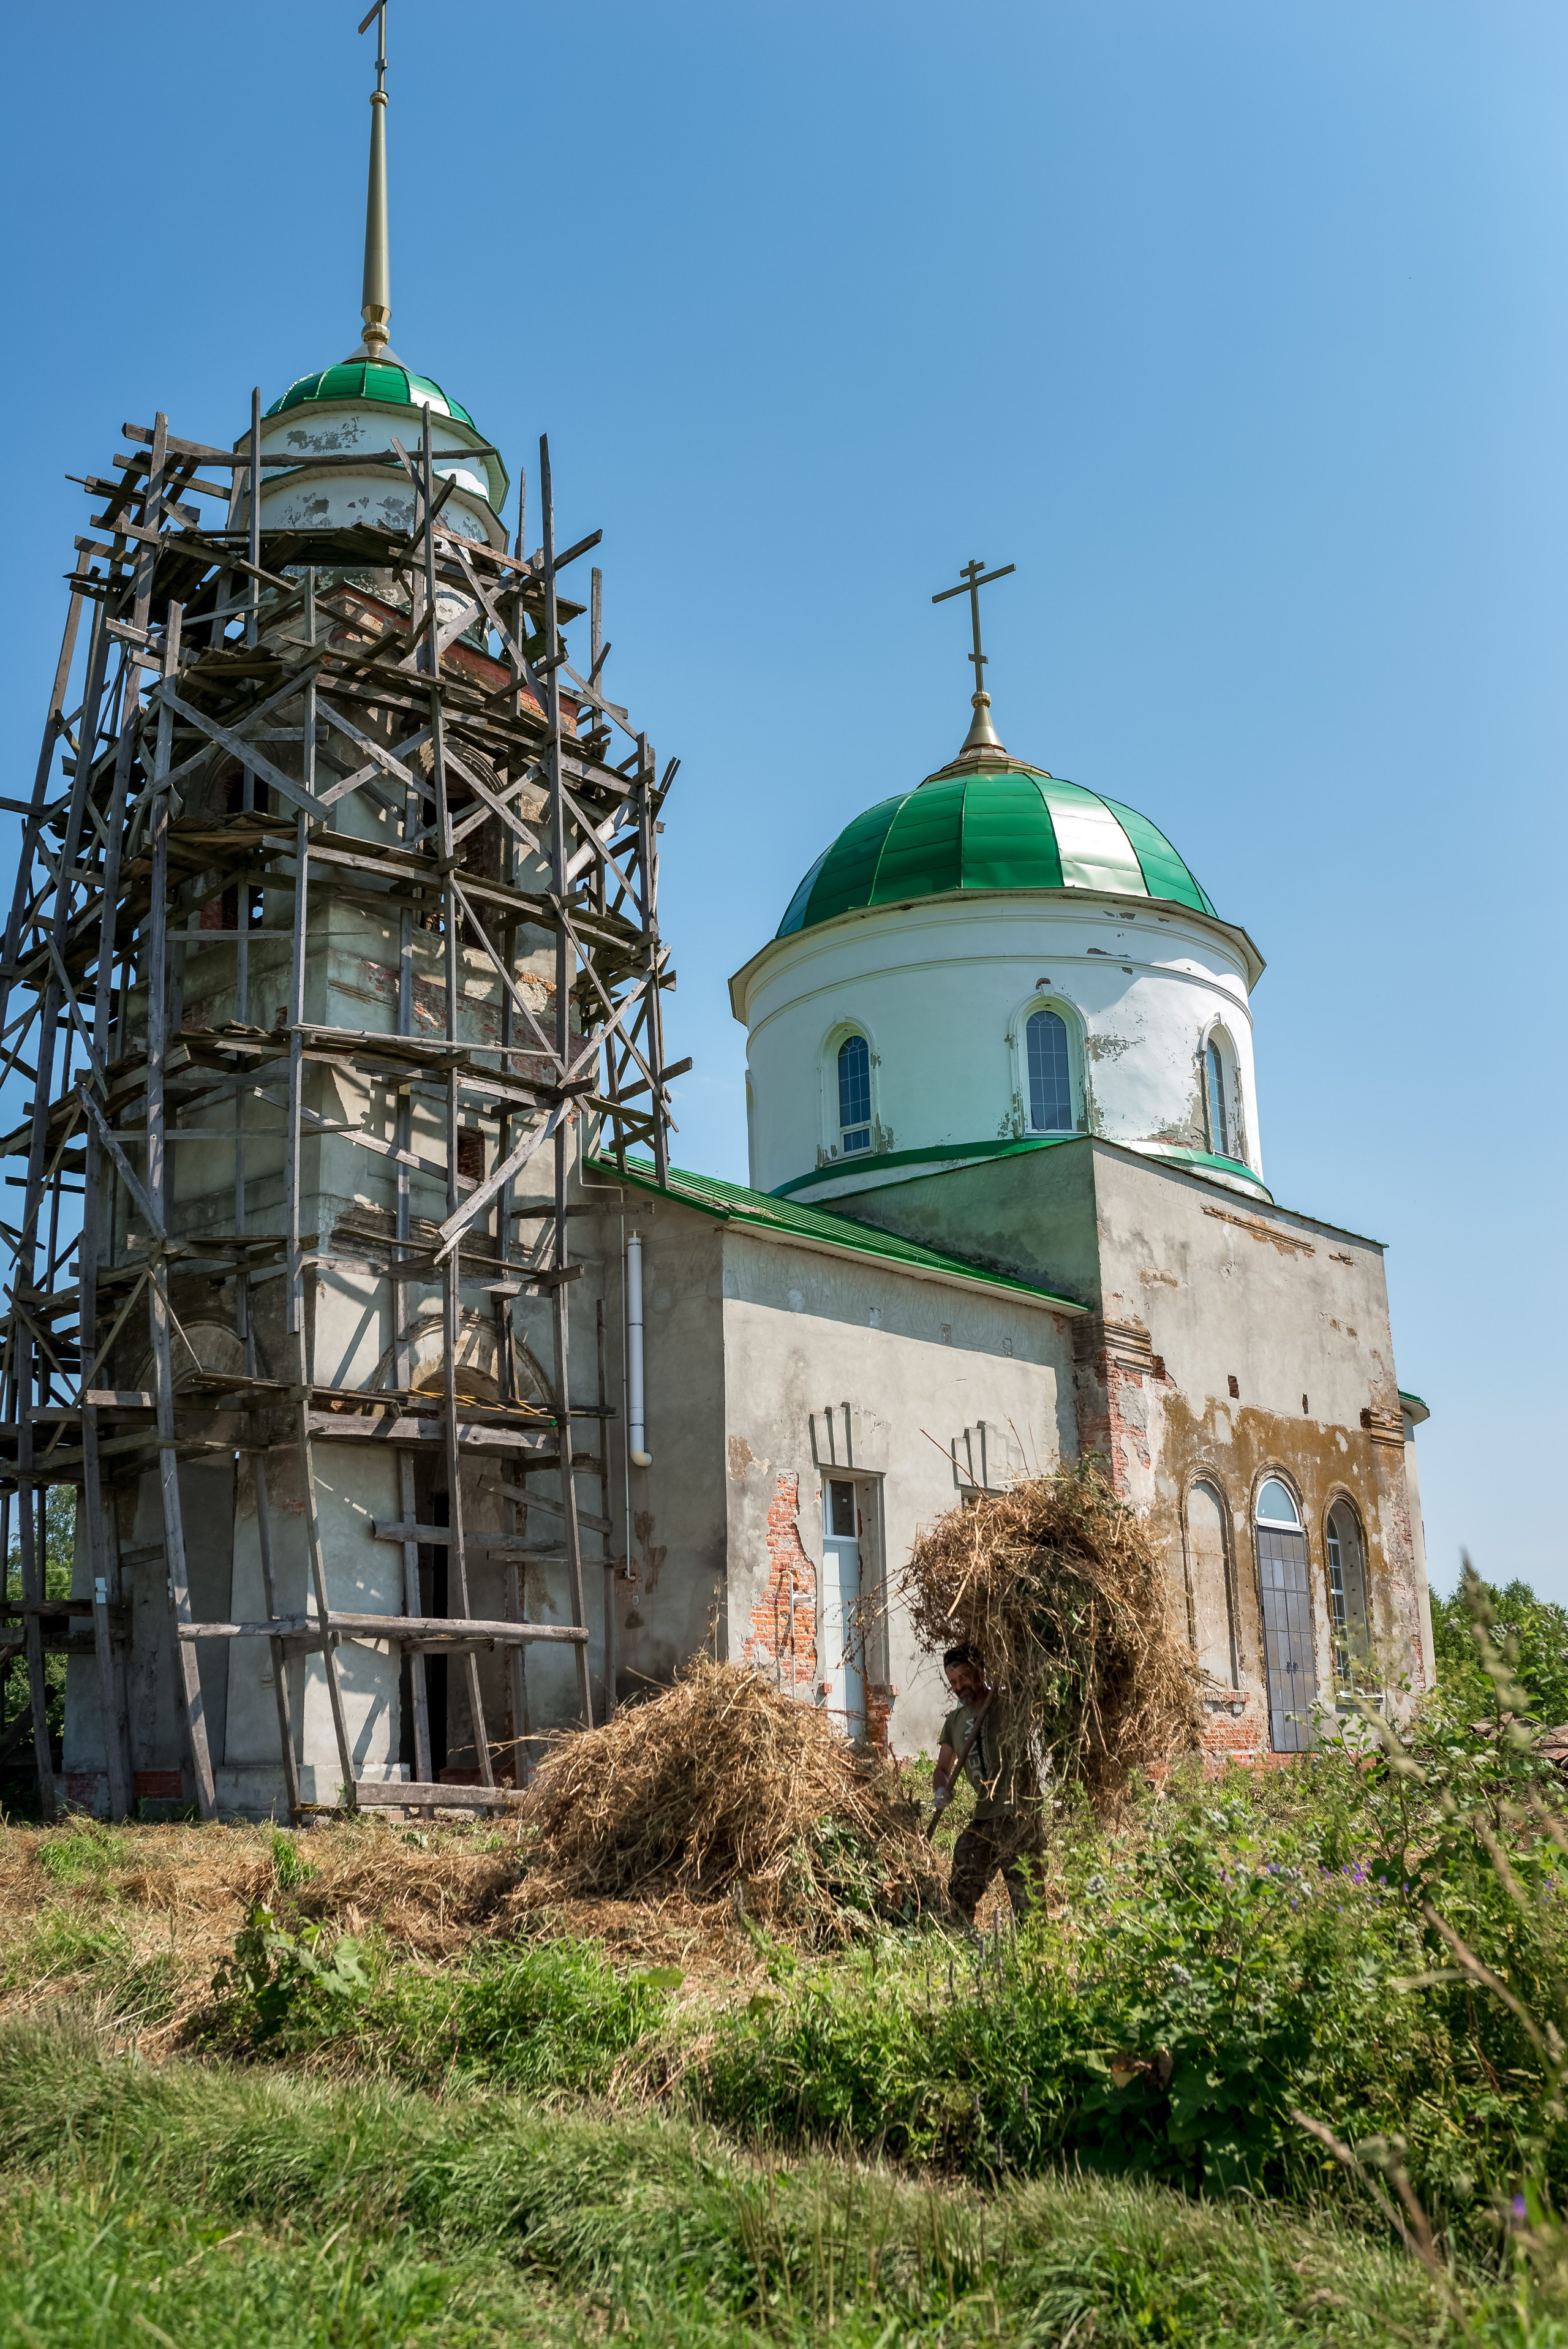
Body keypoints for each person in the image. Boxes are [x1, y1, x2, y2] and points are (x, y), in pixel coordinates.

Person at [931, 1644, 1043, 1926]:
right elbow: (942, 1768)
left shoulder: (1008, 1705)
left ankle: (1034, 1959)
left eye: (964, 1677)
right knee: (960, 1887)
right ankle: (964, 1945)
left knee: (1029, 1903)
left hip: (1020, 1817)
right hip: (984, 1819)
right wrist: (940, 1790)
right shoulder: (954, 1722)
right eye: (953, 1682)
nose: (958, 1687)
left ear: (980, 1671)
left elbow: (1036, 1690)